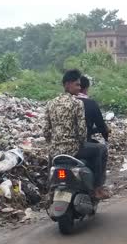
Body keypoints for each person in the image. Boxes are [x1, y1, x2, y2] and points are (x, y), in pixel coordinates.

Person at [43, 69, 110, 200]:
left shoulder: (50, 103)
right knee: (101, 149)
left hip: (55, 150)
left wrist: (54, 142)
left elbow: (46, 131)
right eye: (77, 85)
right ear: (67, 85)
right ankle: (97, 188)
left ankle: (50, 190)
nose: (79, 88)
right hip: (73, 149)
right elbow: (82, 131)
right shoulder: (77, 103)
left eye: (80, 85)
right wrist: (80, 142)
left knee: (50, 159)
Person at [77, 76, 109, 143]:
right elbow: (101, 125)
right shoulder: (91, 104)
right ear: (86, 89)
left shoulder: (64, 102)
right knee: (101, 148)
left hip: (61, 144)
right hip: (82, 143)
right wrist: (106, 137)